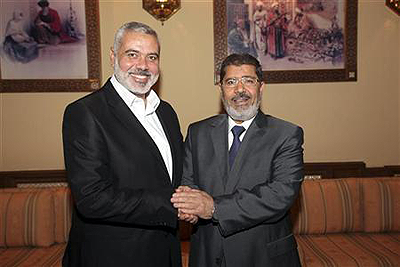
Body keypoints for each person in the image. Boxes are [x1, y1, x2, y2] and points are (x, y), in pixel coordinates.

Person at [62, 21, 183, 267]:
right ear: (112, 56)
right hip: (111, 256)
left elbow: (177, 174)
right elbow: (92, 198)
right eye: (132, 54)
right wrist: (174, 204)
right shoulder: (85, 112)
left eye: (152, 57)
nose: (143, 65)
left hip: (165, 251)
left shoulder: (166, 112)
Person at [171, 53, 304, 267]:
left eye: (248, 81)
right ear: (221, 89)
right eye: (231, 82)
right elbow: (188, 182)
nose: (239, 90)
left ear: (261, 88)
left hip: (263, 257)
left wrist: (214, 208)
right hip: (208, 254)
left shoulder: (286, 134)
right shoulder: (198, 132)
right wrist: (188, 208)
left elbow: (281, 194)